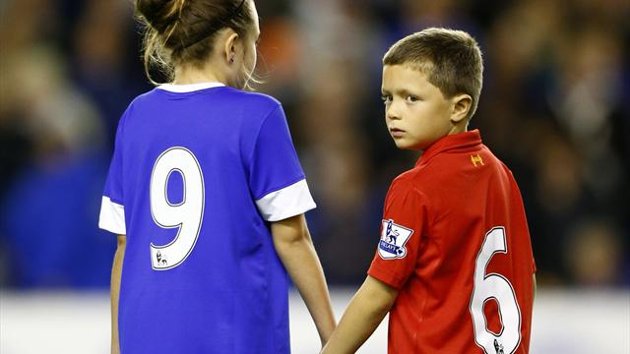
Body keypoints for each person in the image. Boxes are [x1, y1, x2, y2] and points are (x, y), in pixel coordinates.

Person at [97, 1, 335, 353]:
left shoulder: (136, 117)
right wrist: (334, 336)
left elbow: (125, 245)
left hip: (148, 335)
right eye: (255, 43)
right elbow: (293, 238)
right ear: (232, 46)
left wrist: (118, 345)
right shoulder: (259, 115)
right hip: (236, 335)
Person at [322, 27, 536, 353]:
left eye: (411, 99)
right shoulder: (501, 174)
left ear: (459, 107)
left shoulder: (415, 187)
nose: (393, 111)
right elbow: (526, 279)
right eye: (388, 97)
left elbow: (378, 293)